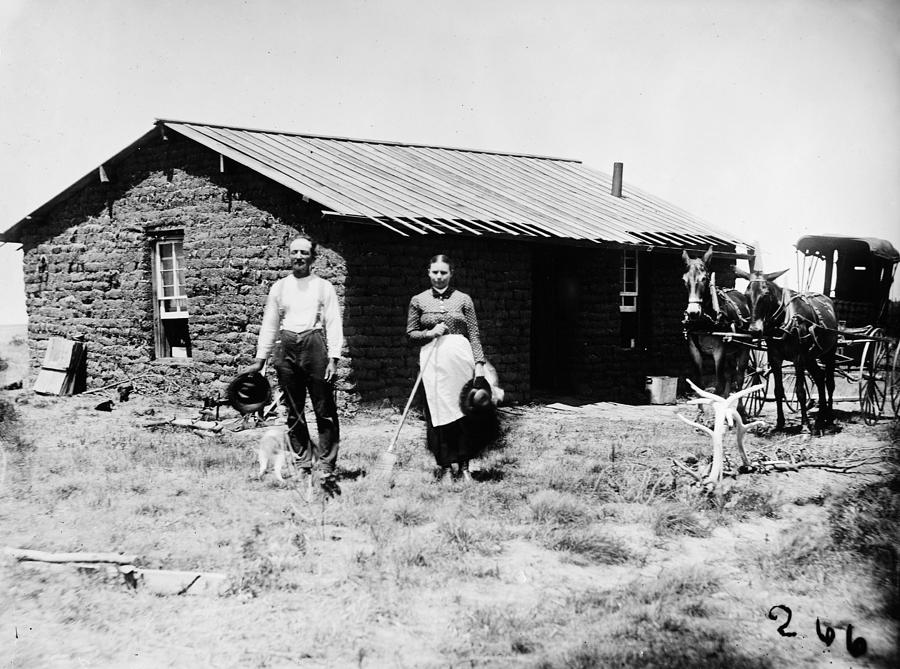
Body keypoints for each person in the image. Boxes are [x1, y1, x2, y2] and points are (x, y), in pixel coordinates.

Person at [243, 236, 343, 493]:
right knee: (293, 410)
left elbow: (333, 323)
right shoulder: (279, 288)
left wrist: (333, 358)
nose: (299, 256)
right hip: (286, 347)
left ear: (313, 257)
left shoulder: (323, 287)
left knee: (324, 409)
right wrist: (261, 359)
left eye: (304, 252)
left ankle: (327, 466)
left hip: (314, 345)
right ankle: (303, 463)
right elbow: (270, 324)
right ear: (289, 255)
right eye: (294, 252)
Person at [407, 254, 490, 483]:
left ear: (451, 274)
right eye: (435, 272)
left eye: (444, 272)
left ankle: (464, 467)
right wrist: (429, 333)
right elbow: (410, 334)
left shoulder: (464, 300)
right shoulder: (419, 300)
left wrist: (479, 364)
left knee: (462, 412)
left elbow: (473, 334)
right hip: (433, 362)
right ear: (428, 272)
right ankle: (444, 466)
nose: (439, 277)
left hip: (460, 361)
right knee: (438, 413)